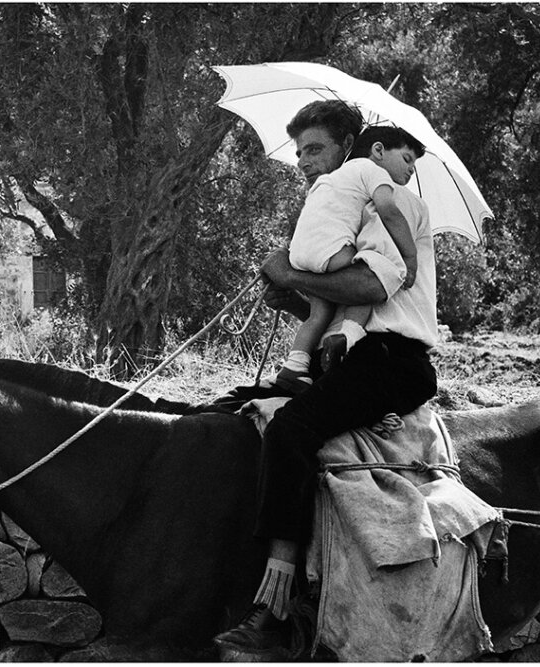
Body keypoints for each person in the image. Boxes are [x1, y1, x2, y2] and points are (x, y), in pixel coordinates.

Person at [213, 100, 440, 652]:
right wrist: (291, 298)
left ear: (350, 148)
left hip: (393, 359)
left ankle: (277, 604)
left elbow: (371, 290)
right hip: (352, 353)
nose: (304, 162)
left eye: (314, 149)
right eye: (300, 152)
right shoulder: (343, 208)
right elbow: (335, 311)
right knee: (231, 415)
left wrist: (288, 269)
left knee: (293, 430)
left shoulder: (396, 202)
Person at [274, 125, 425, 393]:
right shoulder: (374, 172)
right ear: (377, 150)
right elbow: (388, 211)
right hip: (332, 250)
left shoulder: (329, 180)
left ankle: (294, 366)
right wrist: (410, 256)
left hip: (300, 251)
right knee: (371, 274)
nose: (411, 169)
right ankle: (349, 336)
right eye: (406, 159)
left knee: (318, 314)